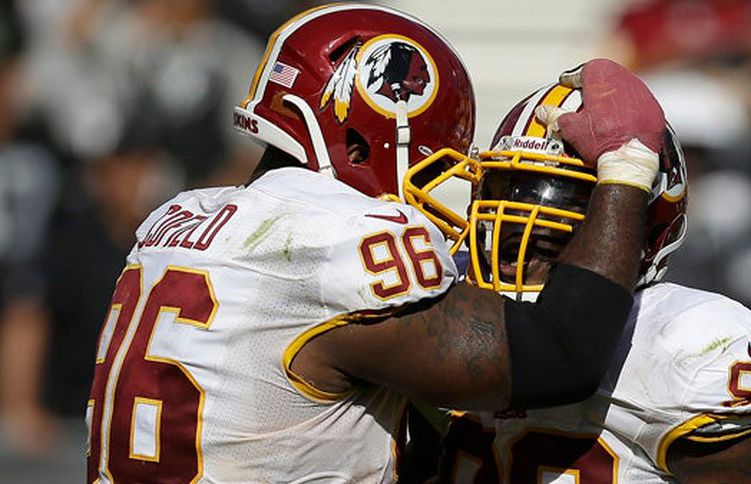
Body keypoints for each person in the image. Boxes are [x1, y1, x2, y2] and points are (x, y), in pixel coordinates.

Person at [85, 5, 666, 483]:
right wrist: (626, 168)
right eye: (428, 162)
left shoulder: (176, 220)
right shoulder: (336, 239)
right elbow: (559, 354)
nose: (426, 191)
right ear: (360, 144)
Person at [419, 74, 751, 483]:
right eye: (507, 190)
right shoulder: (442, 290)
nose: (519, 227)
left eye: (562, 202)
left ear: (647, 231)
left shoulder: (678, 343)